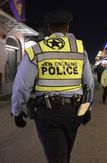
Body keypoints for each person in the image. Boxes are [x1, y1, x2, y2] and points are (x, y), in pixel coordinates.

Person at [11, 10, 94, 163]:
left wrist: (17, 111)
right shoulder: (80, 50)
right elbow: (89, 84)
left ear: (48, 28)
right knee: (66, 153)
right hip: (74, 112)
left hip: (47, 113)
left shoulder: (36, 51)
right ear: (67, 28)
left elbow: (21, 86)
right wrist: (87, 109)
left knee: (56, 157)